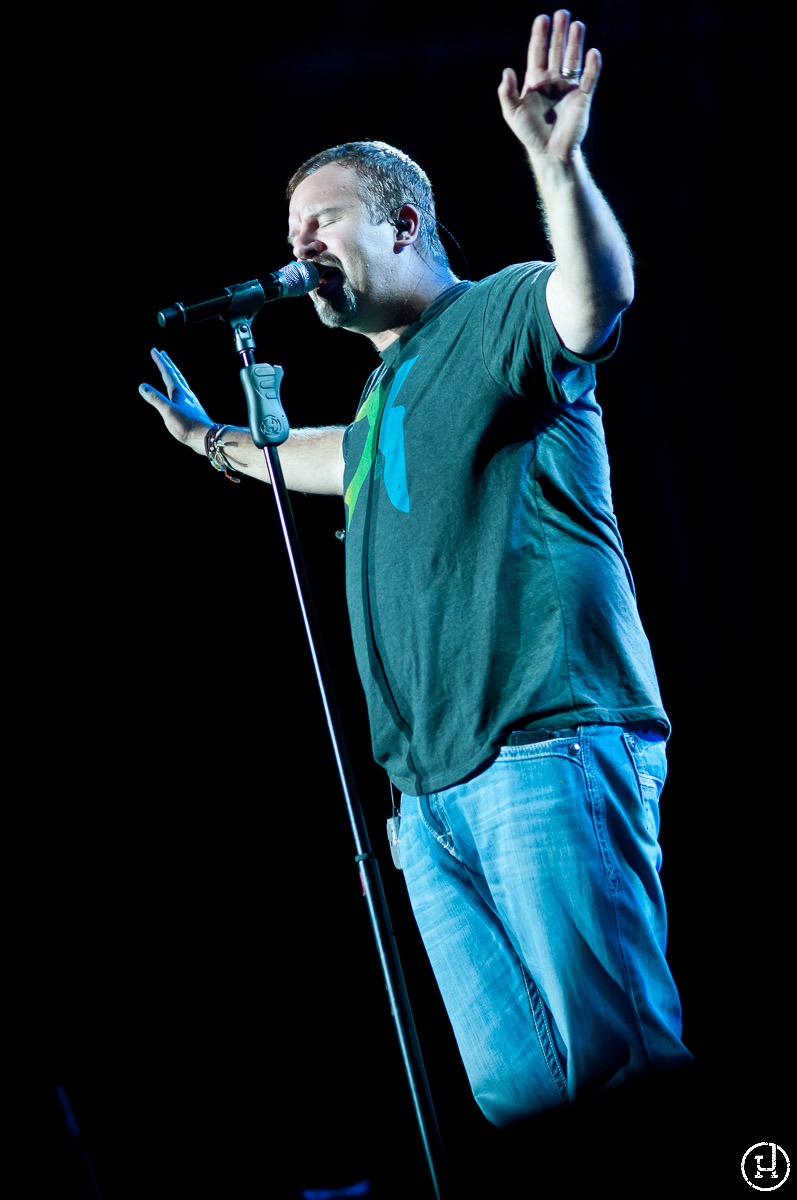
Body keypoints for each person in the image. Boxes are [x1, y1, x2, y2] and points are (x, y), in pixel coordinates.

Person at [141, 11, 692, 1129]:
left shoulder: (493, 318)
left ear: (399, 223)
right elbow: (323, 460)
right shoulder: (384, 397)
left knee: (620, 1072)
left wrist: (557, 163)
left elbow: (595, 302)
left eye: (320, 221)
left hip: (541, 742)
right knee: (522, 1105)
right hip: (427, 805)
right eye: (287, 227)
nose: (296, 246)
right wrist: (212, 443)